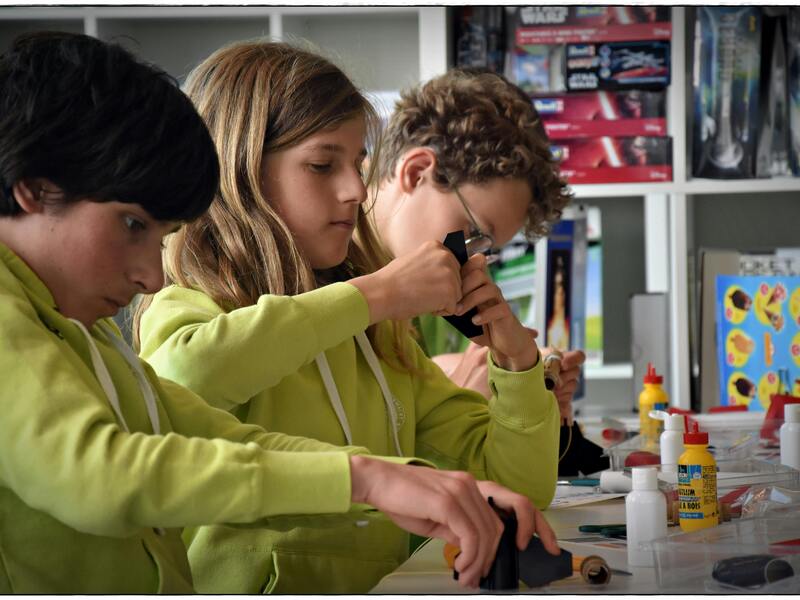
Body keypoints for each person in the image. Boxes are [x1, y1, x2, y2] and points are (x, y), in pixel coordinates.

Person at [0, 32, 555, 594]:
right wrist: (374, 298)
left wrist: (513, 366)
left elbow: (195, 426)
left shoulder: (82, 329)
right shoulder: (178, 306)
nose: (358, 191)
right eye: (321, 164)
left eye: (358, 163)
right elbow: (159, 411)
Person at [372, 68, 584, 421]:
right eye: (472, 232)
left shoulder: (413, 280)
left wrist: (515, 373)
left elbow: (403, 376)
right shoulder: (321, 272)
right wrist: (464, 398)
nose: (475, 261)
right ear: (417, 172)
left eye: (485, 247)